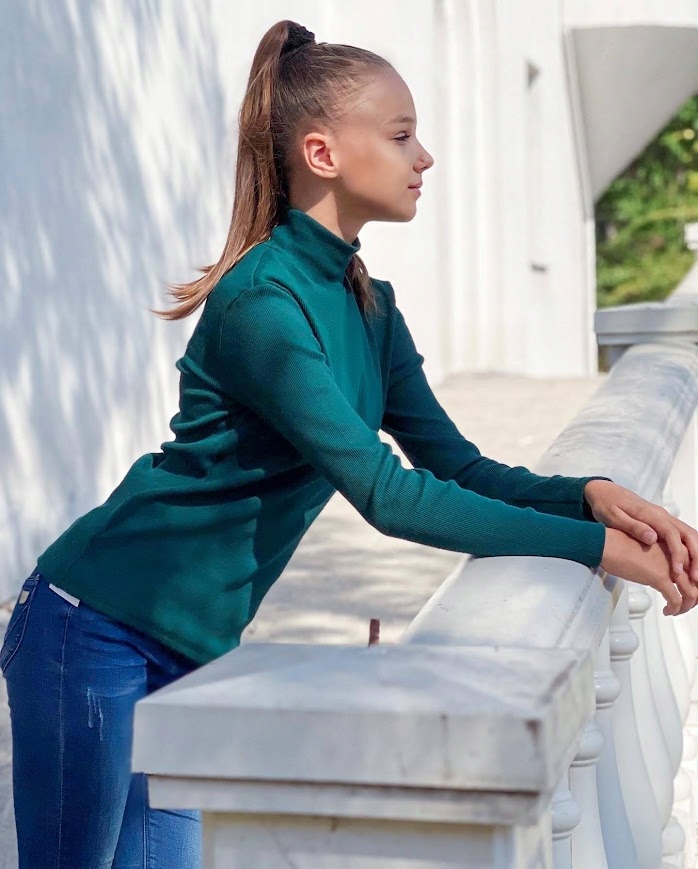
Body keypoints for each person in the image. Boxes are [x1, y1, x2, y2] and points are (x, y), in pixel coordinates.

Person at [2, 18, 698, 869]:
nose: (424, 157)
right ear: (323, 154)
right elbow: (387, 495)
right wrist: (598, 549)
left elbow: (457, 466)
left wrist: (588, 496)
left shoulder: (372, 307)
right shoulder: (262, 305)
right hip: (92, 624)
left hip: (192, 649)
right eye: (402, 135)